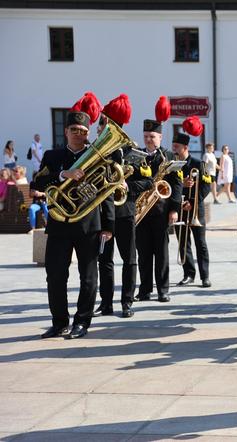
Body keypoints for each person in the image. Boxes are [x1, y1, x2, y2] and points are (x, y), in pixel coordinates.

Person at [32, 110, 115, 339]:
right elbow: (38, 181)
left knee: (88, 276)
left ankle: (82, 322)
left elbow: (107, 192)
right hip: (60, 224)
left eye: (83, 131)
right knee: (55, 275)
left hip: (89, 225)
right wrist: (63, 175)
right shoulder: (52, 155)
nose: (79, 135)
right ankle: (59, 322)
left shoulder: (97, 156)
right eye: (74, 130)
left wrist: (108, 226)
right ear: (66, 132)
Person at [94, 103, 154, 318]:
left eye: (104, 124)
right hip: (102, 213)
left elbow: (148, 181)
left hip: (125, 211)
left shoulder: (132, 152)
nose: (100, 129)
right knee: (104, 260)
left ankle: (127, 302)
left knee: (129, 258)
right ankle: (106, 303)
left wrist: (128, 187)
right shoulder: (96, 152)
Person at [135, 100, 183, 303]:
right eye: (146, 136)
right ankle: (145, 289)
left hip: (161, 211)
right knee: (143, 254)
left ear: (160, 137)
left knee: (161, 254)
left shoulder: (169, 156)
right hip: (140, 212)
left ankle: (163, 289)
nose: (148, 140)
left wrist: (174, 208)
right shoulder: (135, 156)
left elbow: (177, 184)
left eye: (152, 137)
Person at [173, 120, 212, 288]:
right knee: (183, 242)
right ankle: (188, 274)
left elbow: (206, 186)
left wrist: (192, 202)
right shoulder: (171, 165)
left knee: (200, 244)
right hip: (178, 208)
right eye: (173, 146)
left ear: (185, 148)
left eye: (177, 147)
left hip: (196, 209)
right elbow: (167, 187)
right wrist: (182, 186)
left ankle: (205, 276)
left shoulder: (198, 164)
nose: (174, 149)